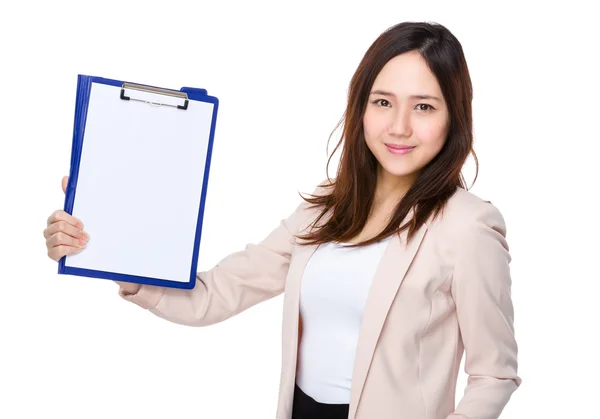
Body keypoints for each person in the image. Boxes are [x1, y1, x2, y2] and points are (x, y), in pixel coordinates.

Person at [43, 21, 521, 419]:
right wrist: (110, 239)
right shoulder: (325, 211)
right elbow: (212, 296)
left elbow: (494, 374)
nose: (398, 126)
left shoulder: (468, 227)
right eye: (382, 101)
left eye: (423, 106)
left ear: (453, 116)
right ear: (360, 107)